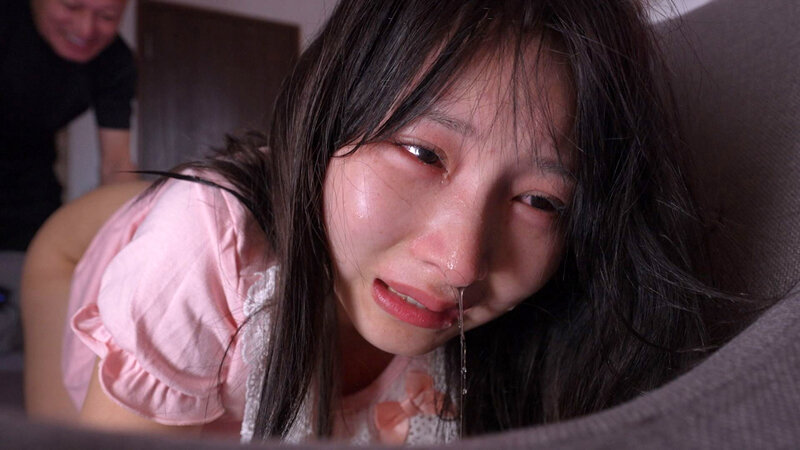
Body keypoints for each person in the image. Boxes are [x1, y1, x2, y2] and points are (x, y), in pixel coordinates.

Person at [25, 0, 736, 445]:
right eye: (423, 153)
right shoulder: (200, 249)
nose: (461, 263)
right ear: (328, 110)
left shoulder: (537, 320)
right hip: (82, 247)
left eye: (540, 202)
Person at [0, 0, 137, 252]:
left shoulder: (115, 62)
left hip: (32, 189)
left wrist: (127, 237)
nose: (86, 30)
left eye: (107, 17)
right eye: (71, 7)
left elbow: (116, 163)